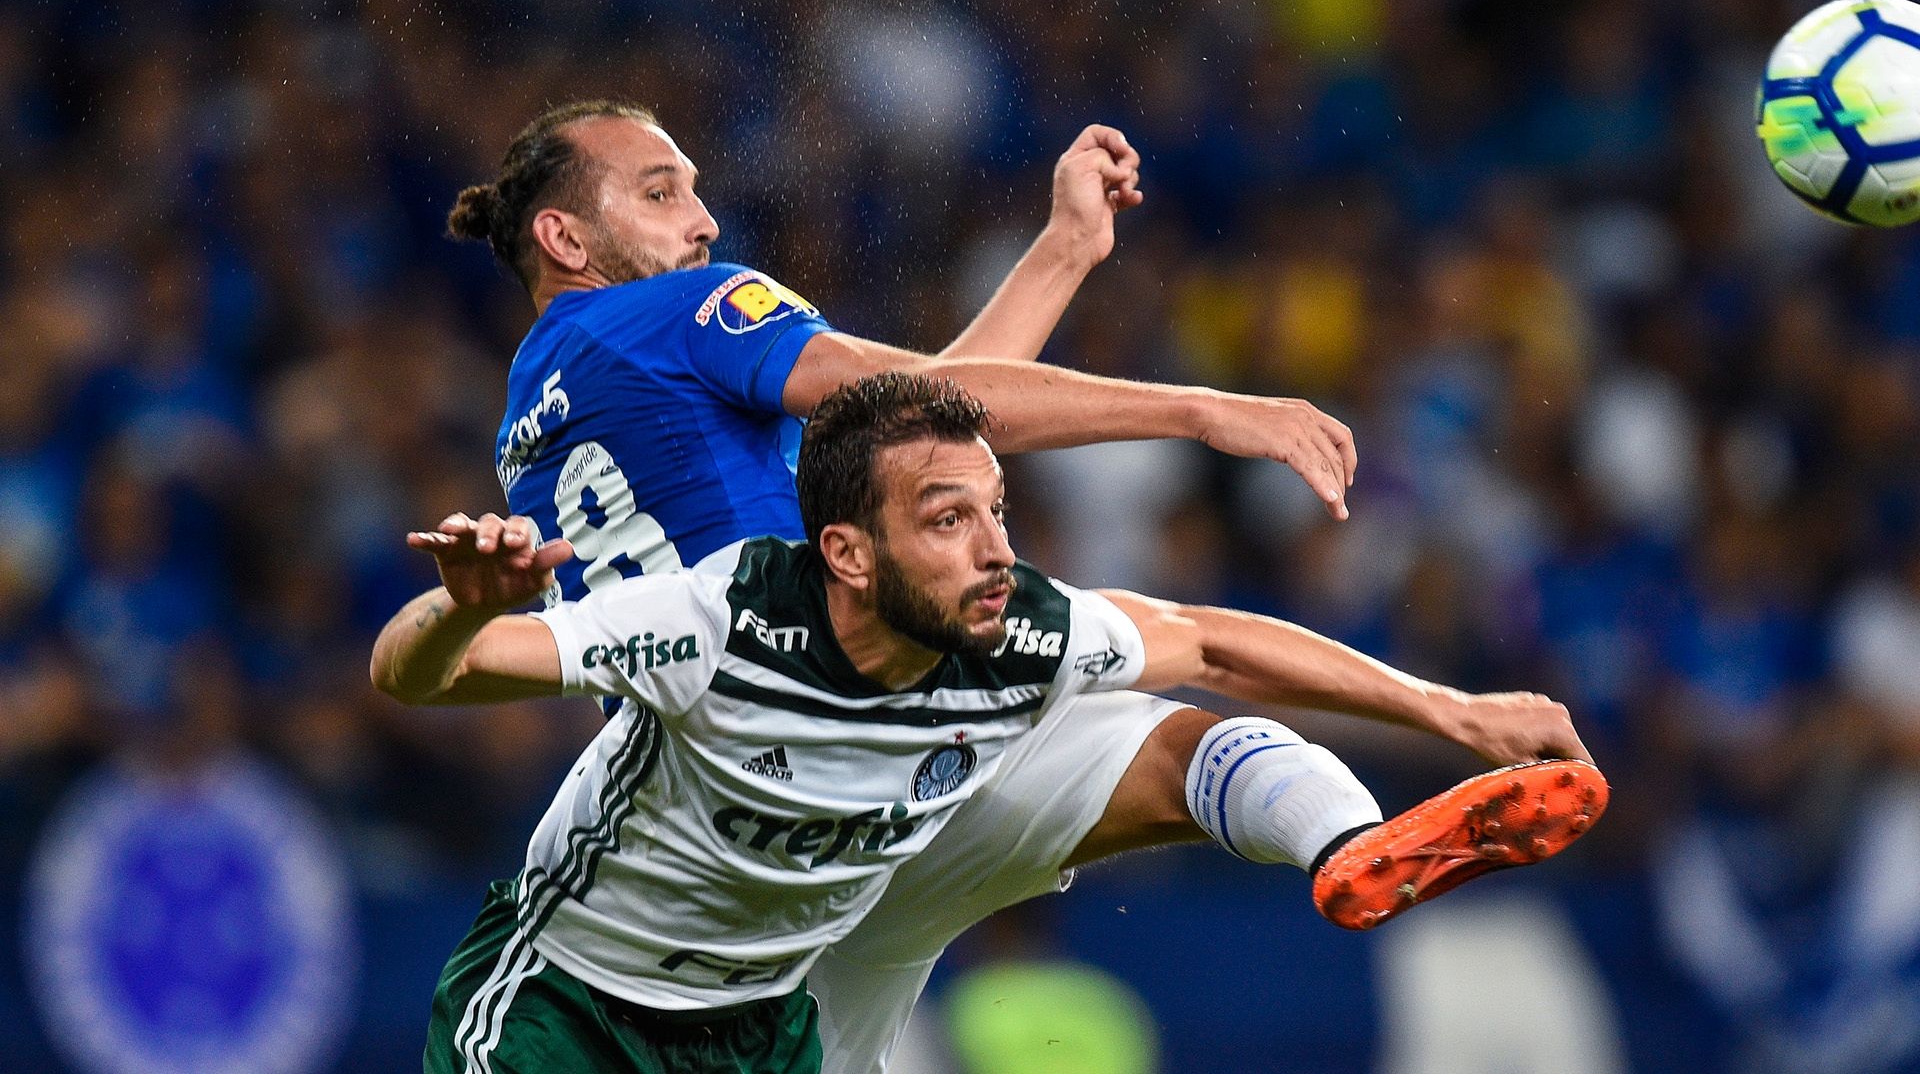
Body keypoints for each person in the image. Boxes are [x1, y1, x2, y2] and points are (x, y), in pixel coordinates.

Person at [441, 100, 1595, 1072]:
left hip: (751, 832)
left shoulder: (534, 420)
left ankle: (1354, 847)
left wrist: (1063, 252)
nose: (702, 219)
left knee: (1162, 701)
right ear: (565, 236)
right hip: (870, 717)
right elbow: (933, 416)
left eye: (696, 191)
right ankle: (1341, 840)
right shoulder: (677, 314)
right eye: (660, 193)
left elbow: (924, 432)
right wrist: (1205, 407)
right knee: (1184, 736)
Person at [373, 372, 1608, 1074]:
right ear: (848, 554)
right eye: (949, 520)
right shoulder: (718, 621)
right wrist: (457, 606)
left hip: (761, 1022)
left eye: (998, 510)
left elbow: (1213, 639)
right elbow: (420, 674)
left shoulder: (1017, 629)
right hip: (574, 1008)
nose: (996, 549)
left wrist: (1454, 710)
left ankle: (1346, 846)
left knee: (1172, 725)